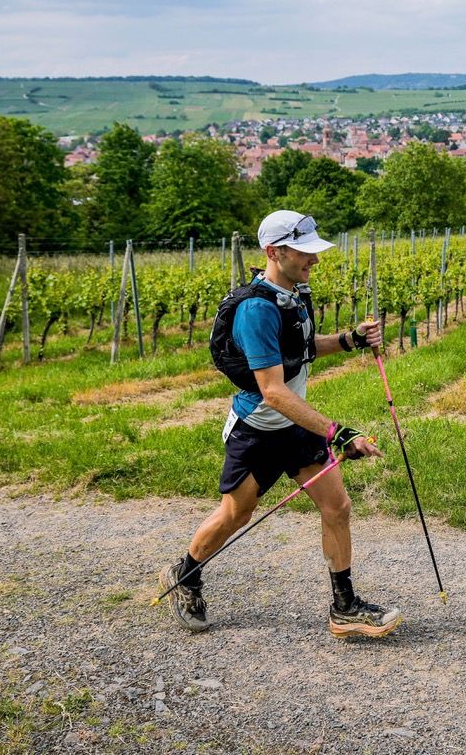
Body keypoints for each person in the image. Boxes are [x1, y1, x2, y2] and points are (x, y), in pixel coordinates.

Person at [159, 210, 401, 638]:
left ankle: (344, 609)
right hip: (258, 430)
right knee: (237, 514)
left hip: (294, 425)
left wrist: (350, 340)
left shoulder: (293, 294)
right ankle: (185, 575)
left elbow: (301, 351)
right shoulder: (256, 309)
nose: (315, 260)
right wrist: (337, 432)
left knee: (338, 507)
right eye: (305, 253)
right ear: (274, 252)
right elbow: (272, 390)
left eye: (315, 252)